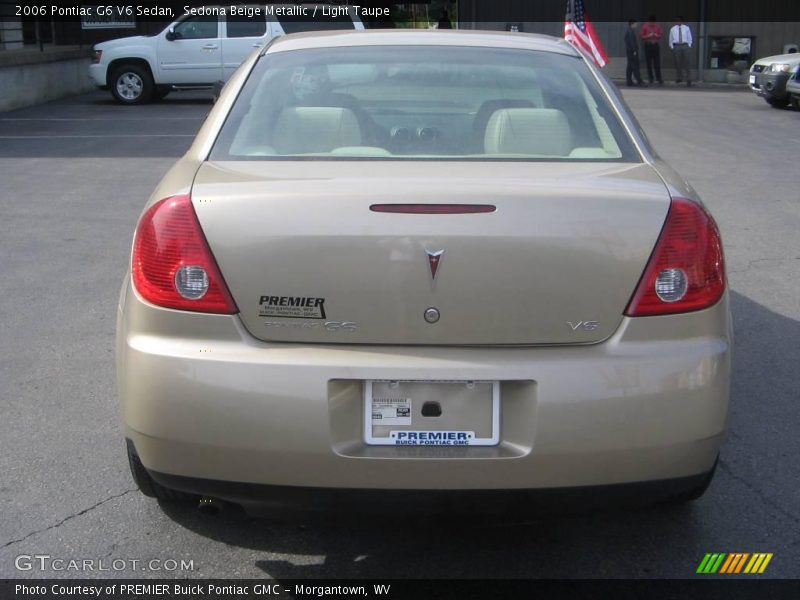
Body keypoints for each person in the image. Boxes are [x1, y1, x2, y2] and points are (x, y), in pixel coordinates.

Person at [669, 16, 693, 86]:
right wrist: (672, 46)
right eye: (677, 21)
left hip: (685, 45)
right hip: (676, 46)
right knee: (677, 63)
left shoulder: (686, 28)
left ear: (682, 21)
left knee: (687, 62)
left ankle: (689, 79)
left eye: (679, 21)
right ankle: (679, 77)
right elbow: (670, 38)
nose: (678, 22)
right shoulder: (673, 29)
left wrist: (689, 45)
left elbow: (690, 37)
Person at [640, 15, 663, 85]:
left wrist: (656, 35)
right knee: (649, 63)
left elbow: (661, 35)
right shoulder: (645, 26)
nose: (652, 24)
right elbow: (641, 36)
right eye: (651, 22)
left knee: (657, 63)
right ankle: (651, 78)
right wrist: (648, 36)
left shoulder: (658, 26)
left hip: (655, 45)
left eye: (653, 22)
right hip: (648, 45)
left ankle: (658, 78)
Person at [625, 19, 646, 87]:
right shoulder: (630, 32)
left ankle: (629, 81)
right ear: (632, 24)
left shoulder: (629, 31)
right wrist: (634, 50)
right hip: (632, 51)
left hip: (629, 51)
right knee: (635, 66)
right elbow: (632, 42)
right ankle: (639, 81)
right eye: (635, 24)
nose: (636, 25)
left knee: (630, 67)